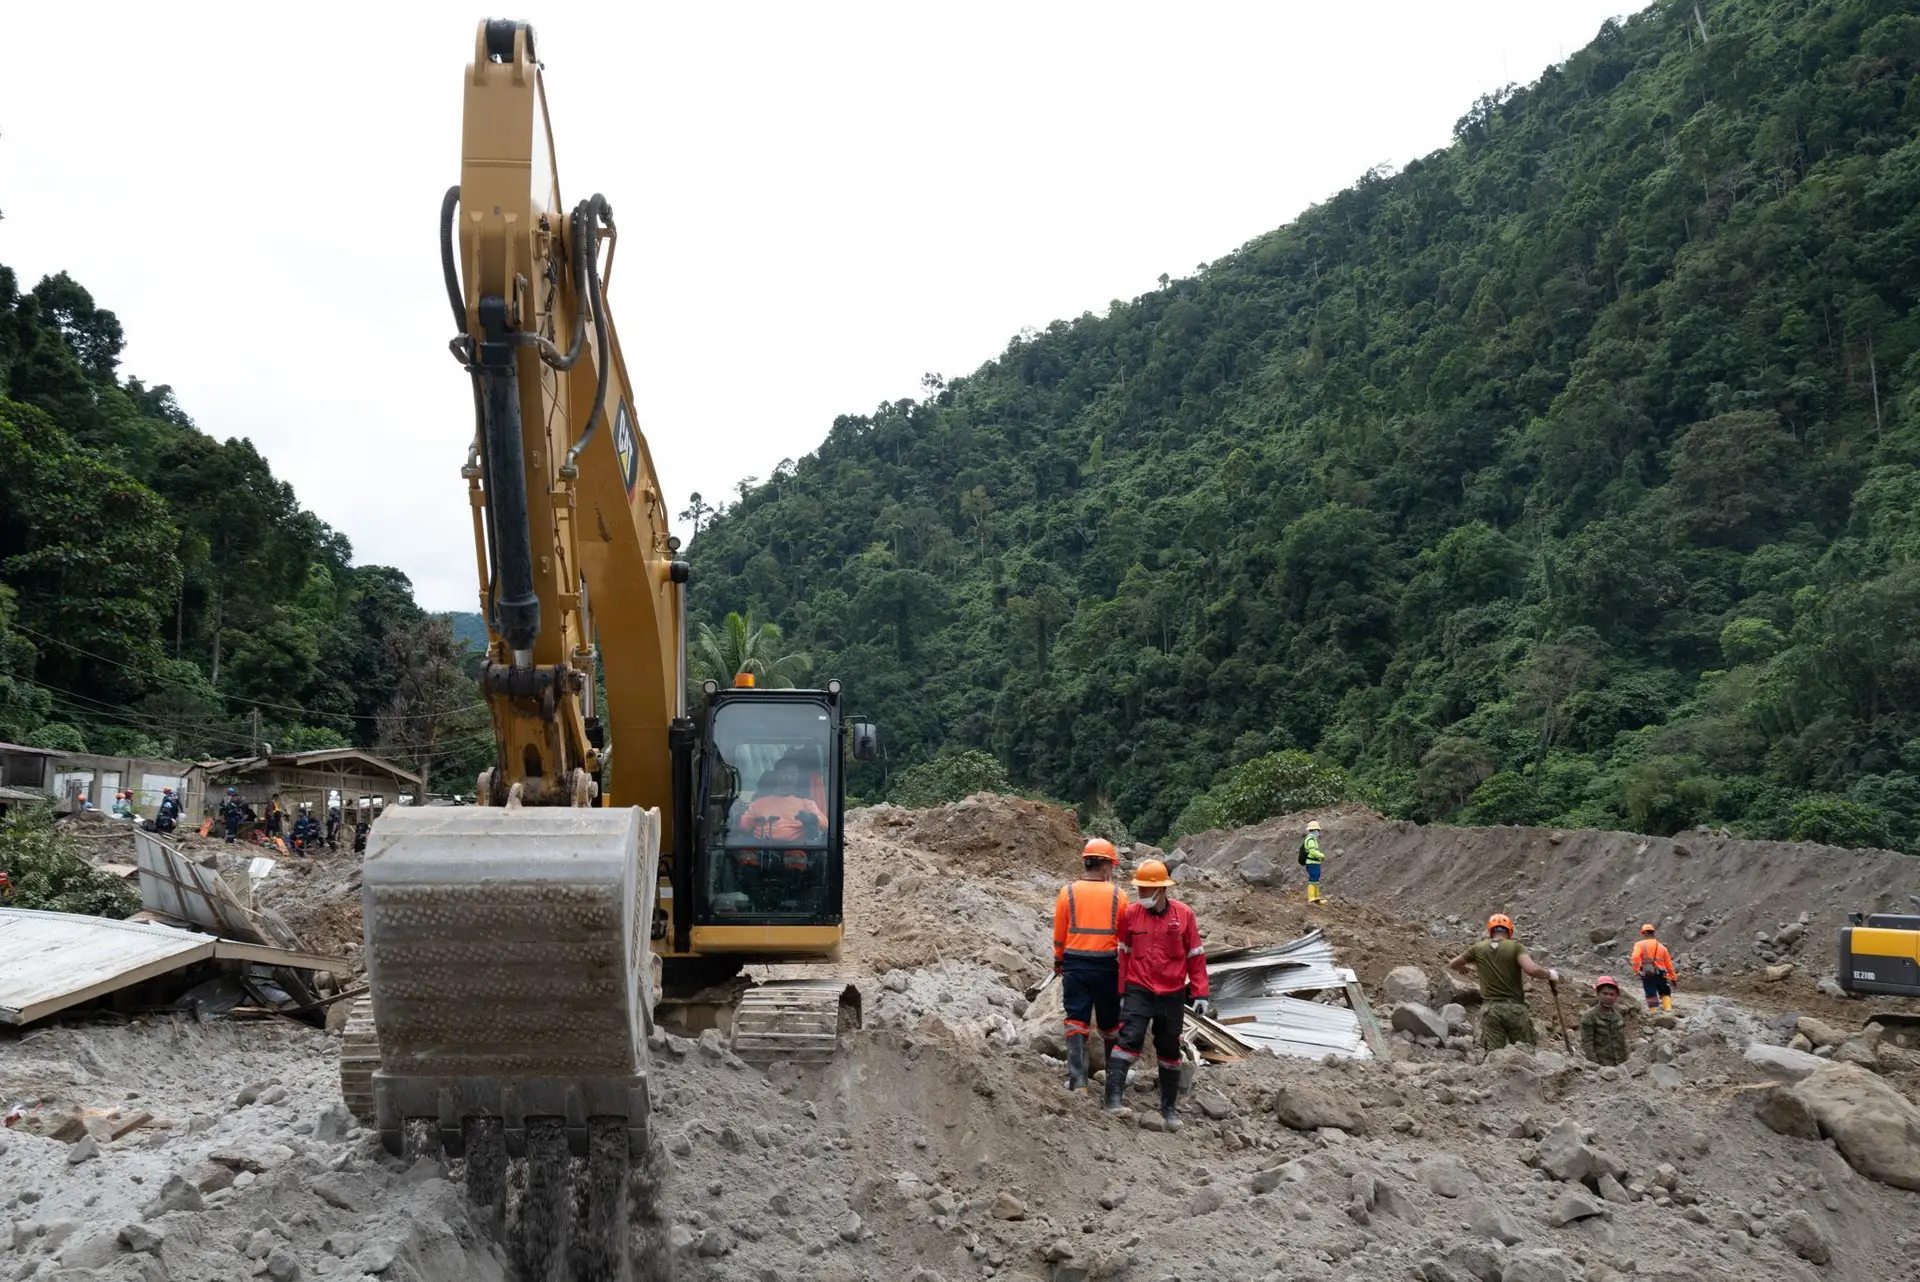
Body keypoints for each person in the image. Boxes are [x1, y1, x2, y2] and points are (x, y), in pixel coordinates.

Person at [1106, 859, 1210, 1131]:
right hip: (1139, 988)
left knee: (1169, 1048)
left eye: (1144, 890)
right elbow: (1124, 954)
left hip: (1172, 991)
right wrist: (1120, 992)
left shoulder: (1184, 915)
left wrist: (1200, 992)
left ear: (1160, 890)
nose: (1139, 895)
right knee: (1129, 1038)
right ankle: (1113, 1099)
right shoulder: (1131, 915)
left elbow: (1195, 956)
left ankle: (1168, 1107)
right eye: (1138, 889)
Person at [1052, 838, 1126, 1093]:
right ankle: (1113, 1082)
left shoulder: (1067, 892)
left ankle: (1078, 1082)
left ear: (1086, 862)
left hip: (1074, 964)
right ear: (1106, 866)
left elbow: (1060, 933)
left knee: (1076, 1022)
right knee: (1111, 1025)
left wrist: (1058, 959)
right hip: (1106, 967)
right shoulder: (1119, 895)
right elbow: (1124, 938)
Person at [1448, 914, 1560, 1050]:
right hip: (1514, 1009)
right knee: (1525, 1051)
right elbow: (1531, 970)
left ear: (1490, 931)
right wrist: (1550, 974)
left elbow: (1453, 963)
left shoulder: (1477, 948)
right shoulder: (1516, 947)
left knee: (1494, 1055)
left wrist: (1462, 967)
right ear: (1509, 931)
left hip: (1490, 1010)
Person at [1579, 975, 1630, 1066]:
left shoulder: (1618, 1016)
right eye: (1605, 993)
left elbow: (1623, 1042)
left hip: (1620, 1066)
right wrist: (1597, 1067)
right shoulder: (1589, 1017)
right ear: (1598, 994)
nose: (1608, 997)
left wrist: (1626, 1063)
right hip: (1602, 1067)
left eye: (1611, 994)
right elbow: (1587, 1044)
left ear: (1616, 996)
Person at [1630, 924, 1676, 1013]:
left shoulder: (1639, 944)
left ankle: (1654, 1013)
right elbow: (1669, 964)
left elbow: (1635, 957)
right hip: (1662, 974)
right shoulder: (1662, 947)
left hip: (1648, 973)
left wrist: (1637, 970)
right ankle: (1668, 1010)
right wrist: (1673, 977)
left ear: (1644, 933)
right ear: (1654, 933)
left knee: (1650, 993)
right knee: (1665, 992)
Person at [1298, 820, 1327, 904]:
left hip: (1315, 863)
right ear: (1315, 830)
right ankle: (1311, 897)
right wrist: (1321, 855)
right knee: (1313, 879)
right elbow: (1312, 851)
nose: (1318, 832)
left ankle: (1316, 897)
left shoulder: (1313, 839)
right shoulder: (1310, 840)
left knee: (1316, 880)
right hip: (1312, 863)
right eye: (1318, 830)